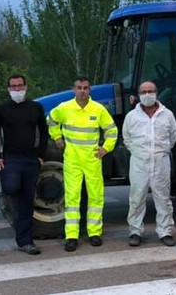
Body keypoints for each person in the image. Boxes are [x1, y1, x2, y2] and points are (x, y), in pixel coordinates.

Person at [47, 76, 118, 252]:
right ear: (74, 89)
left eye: (86, 88)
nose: (82, 91)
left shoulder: (98, 109)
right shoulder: (65, 108)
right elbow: (51, 120)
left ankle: (94, 233)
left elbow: (111, 129)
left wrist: (106, 148)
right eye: (79, 87)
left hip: (93, 159)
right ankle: (72, 236)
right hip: (72, 159)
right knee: (72, 198)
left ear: (89, 90)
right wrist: (57, 137)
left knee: (96, 196)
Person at [0, 74, 48, 255]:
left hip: (30, 159)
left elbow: (44, 132)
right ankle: (21, 229)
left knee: (27, 202)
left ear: (25, 87)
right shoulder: (1, 109)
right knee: (10, 188)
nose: (17, 89)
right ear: (8, 89)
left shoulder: (36, 107)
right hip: (11, 158)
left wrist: (41, 155)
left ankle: (25, 241)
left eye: (20, 86)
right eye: (13, 86)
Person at [123, 81, 176, 247]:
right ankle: (135, 232)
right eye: (144, 91)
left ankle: (165, 232)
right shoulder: (131, 117)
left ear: (156, 93)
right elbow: (127, 138)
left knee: (163, 198)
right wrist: (139, 153)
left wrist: (162, 150)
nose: (147, 94)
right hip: (139, 163)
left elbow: (173, 136)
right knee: (136, 198)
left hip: (161, 163)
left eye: (151, 91)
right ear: (139, 94)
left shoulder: (167, 114)